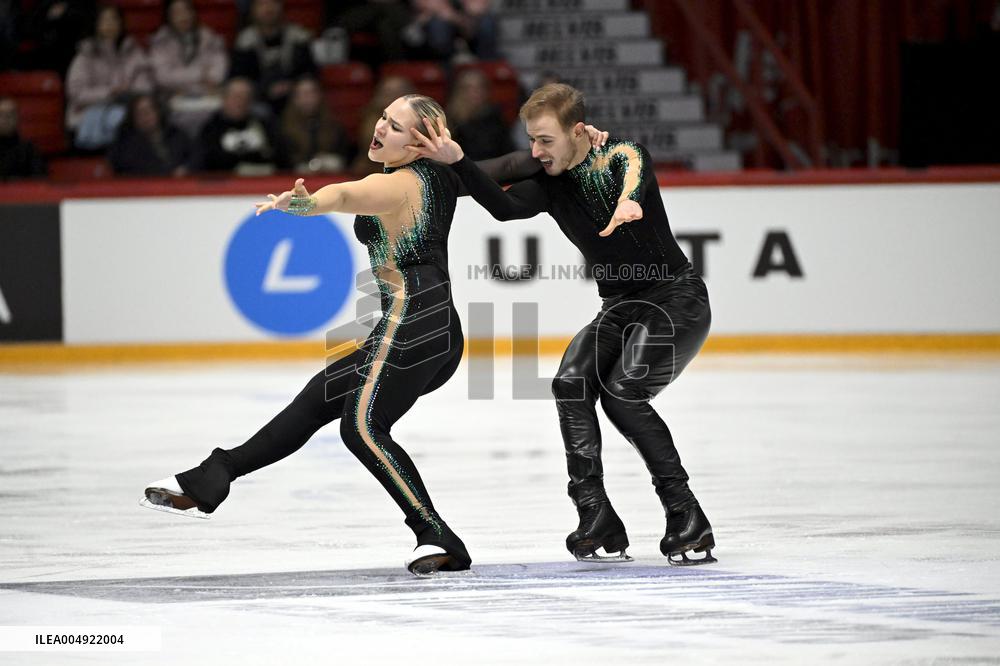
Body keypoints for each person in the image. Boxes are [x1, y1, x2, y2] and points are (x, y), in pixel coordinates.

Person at [408, 83, 717, 566]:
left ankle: (686, 514)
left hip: (675, 299)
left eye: (546, 141)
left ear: (577, 132)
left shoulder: (620, 155)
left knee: (623, 395)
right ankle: (595, 514)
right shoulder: (551, 181)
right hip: (619, 305)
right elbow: (504, 205)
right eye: (532, 140)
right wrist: (452, 161)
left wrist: (630, 201)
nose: (536, 151)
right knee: (570, 382)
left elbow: (634, 172)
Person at [65, 3, 153, 150]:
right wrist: (110, 92)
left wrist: (127, 93)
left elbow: (147, 85)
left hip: (127, 112)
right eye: (104, 20)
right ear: (96, 24)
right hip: (89, 115)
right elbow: (76, 94)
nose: (110, 25)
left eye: (114, 20)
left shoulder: (133, 51)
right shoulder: (85, 55)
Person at [149, 0, 229, 137]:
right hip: (173, 100)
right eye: (177, 12)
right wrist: (199, 74)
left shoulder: (209, 37)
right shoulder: (160, 41)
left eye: (186, 11)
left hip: (209, 96)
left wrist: (181, 79)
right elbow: (163, 77)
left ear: (193, 13)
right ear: (168, 17)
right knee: (187, 120)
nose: (183, 16)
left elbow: (217, 74)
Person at [230, 0, 317, 114]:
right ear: (253, 10)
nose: (268, 8)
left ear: (281, 6)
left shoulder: (298, 37)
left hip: (295, 97)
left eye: (273, 2)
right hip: (257, 101)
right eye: (262, 4)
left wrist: (292, 86)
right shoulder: (245, 42)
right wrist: (266, 91)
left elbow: (310, 72)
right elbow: (239, 77)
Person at [194, 77, 289, 174]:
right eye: (236, 97)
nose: (241, 102)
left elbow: (282, 159)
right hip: (225, 184)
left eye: (246, 97)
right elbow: (203, 164)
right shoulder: (211, 129)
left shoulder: (264, 125)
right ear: (224, 98)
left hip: (262, 183)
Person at [107, 94, 193, 177]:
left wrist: (186, 168)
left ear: (158, 112)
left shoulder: (177, 135)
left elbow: (195, 157)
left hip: (180, 187)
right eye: (140, 113)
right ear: (132, 117)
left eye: (149, 111)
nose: (146, 116)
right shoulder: (125, 144)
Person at [280, 76, 353, 172]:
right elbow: (282, 164)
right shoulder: (284, 129)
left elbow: (346, 158)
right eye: (302, 94)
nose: (307, 99)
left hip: (330, 179)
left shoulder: (334, 126)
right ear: (294, 99)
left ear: (319, 96)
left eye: (311, 93)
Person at [447, 68, 514, 160]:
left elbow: (507, 150)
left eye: (480, 87)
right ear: (460, 91)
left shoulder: (494, 117)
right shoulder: (451, 120)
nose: (476, 92)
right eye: (469, 88)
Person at [0, 97, 47, 181]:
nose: (5, 119)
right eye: (1, 115)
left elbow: (39, 179)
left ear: (17, 118)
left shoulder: (29, 149)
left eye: (10, 115)